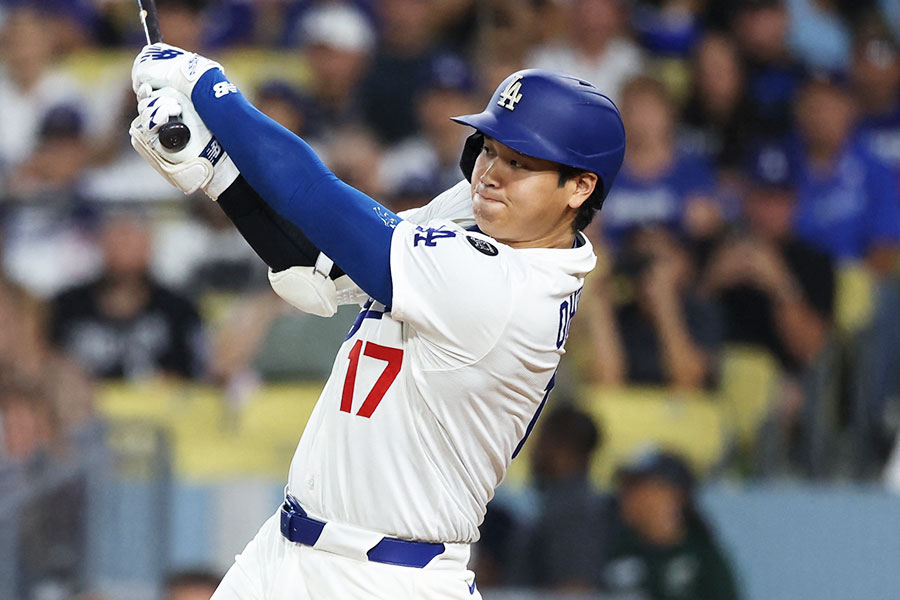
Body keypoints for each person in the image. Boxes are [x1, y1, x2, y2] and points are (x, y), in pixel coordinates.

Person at [129, 43, 625, 599]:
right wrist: (216, 170)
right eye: (490, 150)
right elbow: (316, 270)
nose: (491, 174)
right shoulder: (483, 215)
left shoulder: (511, 289)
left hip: (390, 577)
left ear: (580, 187)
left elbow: (315, 196)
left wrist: (209, 90)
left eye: (521, 164)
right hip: (283, 551)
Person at [601, 448, 741, 600]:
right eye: (624, 486)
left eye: (635, 486)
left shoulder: (702, 556)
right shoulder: (611, 548)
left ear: (674, 495)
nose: (625, 495)